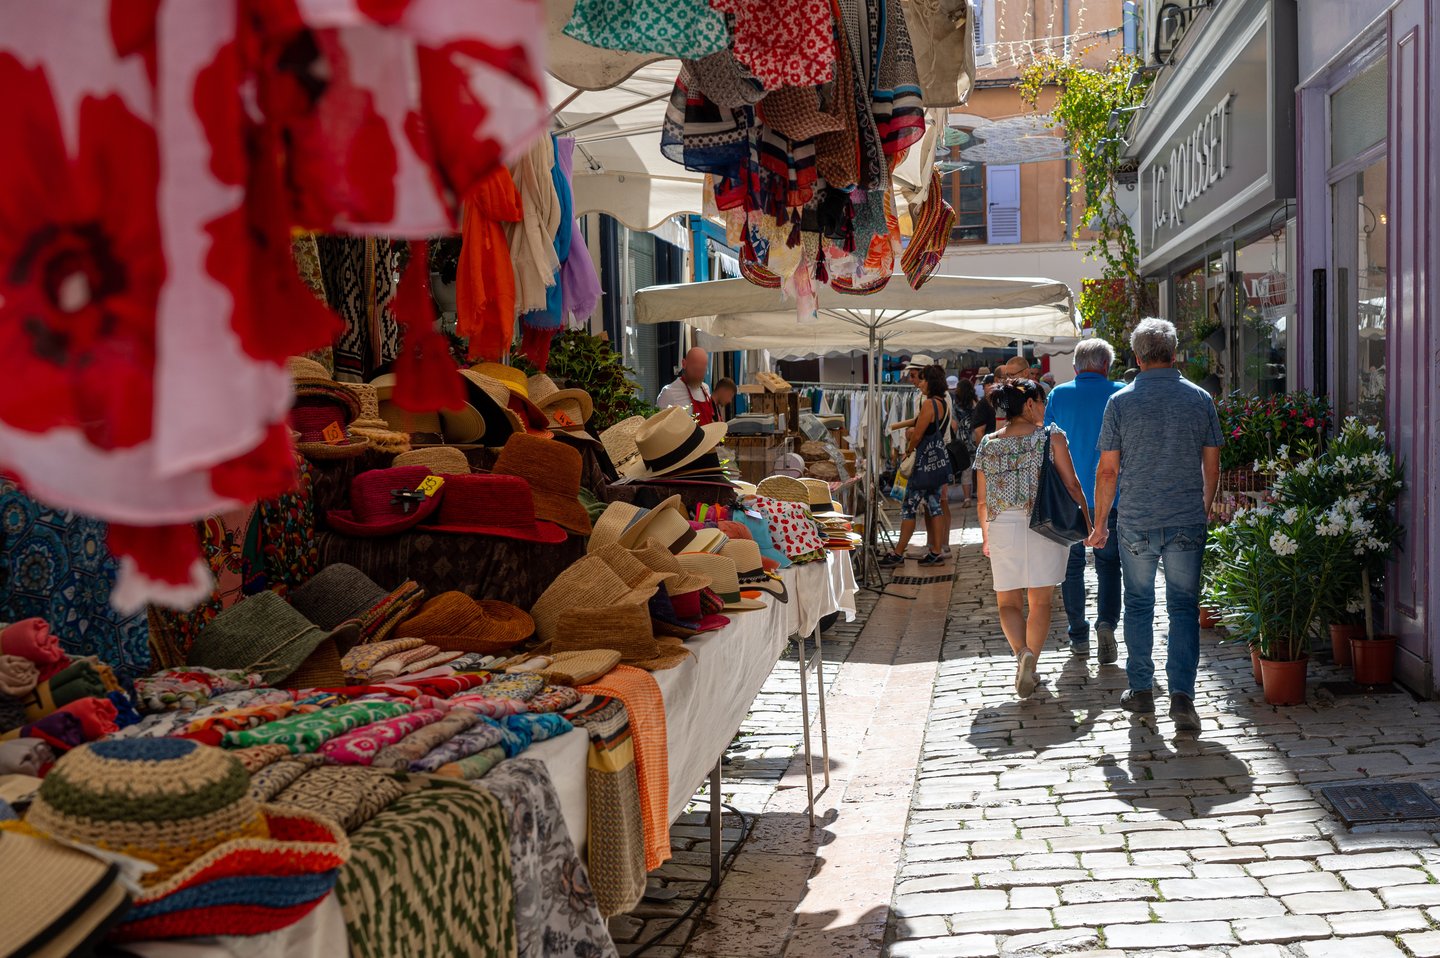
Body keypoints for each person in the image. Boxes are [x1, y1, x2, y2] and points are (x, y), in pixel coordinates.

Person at [1089, 318, 1222, 733]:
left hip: (1137, 520)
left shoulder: (1121, 403)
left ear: (1137, 357)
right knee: (1183, 607)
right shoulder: (1200, 398)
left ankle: (1142, 689)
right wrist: (1204, 505)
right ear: (1174, 353)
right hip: (1185, 516)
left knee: (1140, 603)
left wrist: (1099, 523)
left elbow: (1107, 471)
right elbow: (1212, 463)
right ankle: (1182, 696)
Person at [974, 380, 1089, 698]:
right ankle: (1032, 664)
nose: (1045, 407)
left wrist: (986, 536)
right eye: (1042, 401)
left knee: (1007, 603)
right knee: (1040, 603)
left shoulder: (988, 444)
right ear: (1029, 404)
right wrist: (1089, 524)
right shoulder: (1052, 437)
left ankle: (1021, 654)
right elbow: (1073, 485)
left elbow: (982, 500)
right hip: (1044, 525)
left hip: (1002, 526)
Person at [1043, 339, 1123, 661]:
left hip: (1068, 495)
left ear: (1076, 366)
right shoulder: (1121, 392)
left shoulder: (1058, 395)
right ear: (1107, 366)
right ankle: (1106, 624)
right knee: (1109, 565)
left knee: (1072, 568)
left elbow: (1045, 444)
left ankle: (1078, 634)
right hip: (1113, 496)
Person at [880, 365, 952, 568]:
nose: (920, 384)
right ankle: (936, 551)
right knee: (934, 505)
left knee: (908, 507)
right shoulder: (942, 403)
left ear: (930, 381)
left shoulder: (929, 404)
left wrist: (909, 448)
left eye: (922, 380)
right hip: (936, 464)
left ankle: (898, 552)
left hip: (922, 465)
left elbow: (919, 434)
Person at [657, 347, 720, 424]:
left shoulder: (705, 388)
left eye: (702, 370)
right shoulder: (669, 392)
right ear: (684, 364)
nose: (698, 375)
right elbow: (659, 427)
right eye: (695, 370)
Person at [951, 379, 980, 504]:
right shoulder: (976, 403)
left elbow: (954, 424)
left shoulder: (956, 404)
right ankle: (979, 493)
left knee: (966, 469)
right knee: (978, 468)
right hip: (975, 437)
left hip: (962, 439)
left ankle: (967, 497)